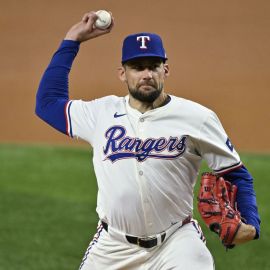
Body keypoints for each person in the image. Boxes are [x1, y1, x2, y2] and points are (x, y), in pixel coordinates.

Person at [35, 11, 260, 270]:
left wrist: (251, 224)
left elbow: (236, 174)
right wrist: (71, 40)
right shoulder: (101, 113)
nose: (146, 74)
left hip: (177, 241)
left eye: (153, 66)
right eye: (137, 67)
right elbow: (47, 103)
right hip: (113, 246)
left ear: (165, 69)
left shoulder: (198, 117)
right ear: (122, 73)